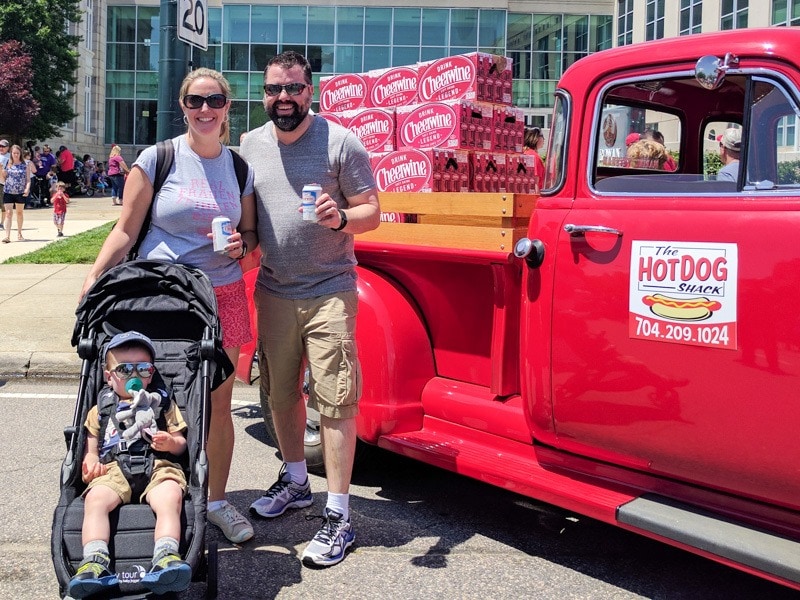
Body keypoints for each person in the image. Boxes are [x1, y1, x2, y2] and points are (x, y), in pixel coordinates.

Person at [80, 67, 258, 545]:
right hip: (159, 297)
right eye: (196, 100)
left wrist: (243, 246)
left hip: (221, 294)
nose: (205, 109)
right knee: (157, 393)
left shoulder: (239, 167)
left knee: (219, 406)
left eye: (215, 100)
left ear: (227, 108)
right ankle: (143, 485)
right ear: (183, 106)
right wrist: (94, 278)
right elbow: (124, 230)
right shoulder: (158, 158)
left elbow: (252, 233)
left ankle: (215, 501)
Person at [240, 50, 380, 568]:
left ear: (309, 91)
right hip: (274, 289)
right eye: (274, 89)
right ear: (264, 93)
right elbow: (252, 224)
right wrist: (241, 246)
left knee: (336, 400)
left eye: (293, 88)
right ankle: (296, 481)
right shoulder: (250, 145)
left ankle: (339, 513)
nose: (283, 98)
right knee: (278, 394)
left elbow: (373, 213)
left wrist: (341, 216)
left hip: (329, 289)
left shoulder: (341, 142)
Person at [67, 331, 191, 599]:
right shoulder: (101, 407)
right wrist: (90, 460)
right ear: (108, 375)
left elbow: (181, 443)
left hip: (158, 465)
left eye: (143, 368)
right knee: (96, 500)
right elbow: (91, 443)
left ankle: (166, 555)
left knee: (170, 496)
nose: (135, 374)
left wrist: (170, 442)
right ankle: (94, 561)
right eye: (124, 369)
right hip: (113, 467)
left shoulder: (162, 403)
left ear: (151, 372)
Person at [1, 144, 31, 242]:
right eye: (14, 153)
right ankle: (7, 236)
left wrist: (27, 189)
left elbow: (28, 179)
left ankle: (19, 233)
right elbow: (3, 178)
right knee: (9, 213)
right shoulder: (7, 164)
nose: (16, 155)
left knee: (19, 213)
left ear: (20, 154)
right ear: (11, 154)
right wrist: (1, 171)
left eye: (18, 153)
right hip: (8, 191)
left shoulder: (25, 165)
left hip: (20, 192)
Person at [523, 127, 546, 192]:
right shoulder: (534, 156)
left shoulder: (526, 153)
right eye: (542, 136)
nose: (544, 139)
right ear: (535, 138)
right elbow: (535, 182)